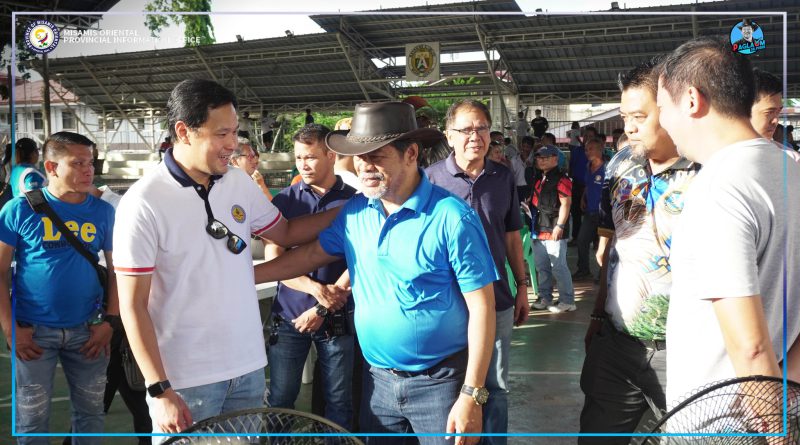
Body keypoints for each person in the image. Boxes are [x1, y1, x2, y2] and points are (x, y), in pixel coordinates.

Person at [253, 101, 497, 445]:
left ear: (411, 153)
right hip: (378, 384)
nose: (364, 166)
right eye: (358, 156)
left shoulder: (451, 218)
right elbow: (308, 255)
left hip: (441, 384)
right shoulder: (357, 212)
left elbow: (482, 308)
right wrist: (245, 277)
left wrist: (472, 394)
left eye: (376, 156)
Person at [112, 79, 340, 441]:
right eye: (221, 134)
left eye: (235, 131)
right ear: (184, 132)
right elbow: (133, 305)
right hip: (186, 382)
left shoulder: (237, 182)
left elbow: (286, 234)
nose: (233, 143)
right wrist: (159, 389)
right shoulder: (143, 203)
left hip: (248, 370)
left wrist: (351, 209)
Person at [657, 37, 800, 416]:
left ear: (691, 99)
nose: (663, 121)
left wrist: (775, 429)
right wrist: (788, 395)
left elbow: (750, 346)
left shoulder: (719, 188)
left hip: (724, 423)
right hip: (780, 400)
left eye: (661, 107)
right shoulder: (790, 169)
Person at [578, 57, 700, 443]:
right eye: (625, 115)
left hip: (685, 351)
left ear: (669, 110)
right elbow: (614, 248)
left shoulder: (707, 171)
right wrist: (598, 316)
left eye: (639, 116)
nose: (628, 126)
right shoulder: (620, 167)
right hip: (618, 344)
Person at [0, 131, 117, 445]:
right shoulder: (19, 210)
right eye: (77, 163)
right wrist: (11, 328)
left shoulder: (104, 212)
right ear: (50, 168)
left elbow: (118, 271)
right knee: (32, 420)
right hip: (33, 332)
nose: (88, 170)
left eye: (90, 162)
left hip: (89, 331)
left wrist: (110, 322)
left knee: (91, 415)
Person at [427, 99, 528, 445]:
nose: (476, 136)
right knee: (448, 382)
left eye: (482, 128)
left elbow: (513, 235)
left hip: (496, 299)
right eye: (466, 129)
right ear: (449, 136)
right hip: (446, 303)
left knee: (494, 385)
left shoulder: (502, 178)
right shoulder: (431, 180)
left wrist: (523, 286)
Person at [264, 123, 357, 430]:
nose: (303, 164)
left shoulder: (355, 201)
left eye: (311, 156)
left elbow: (361, 261)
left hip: (337, 316)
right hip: (289, 317)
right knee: (280, 399)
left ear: (331, 155)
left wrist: (323, 305)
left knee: (340, 401)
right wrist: (317, 291)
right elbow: (274, 258)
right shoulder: (285, 201)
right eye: (299, 157)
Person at [529, 145, 576, 313]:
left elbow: (566, 203)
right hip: (539, 227)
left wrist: (560, 226)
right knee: (542, 266)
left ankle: (567, 300)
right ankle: (545, 297)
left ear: (555, 159)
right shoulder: (539, 178)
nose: (542, 160)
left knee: (558, 266)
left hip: (554, 228)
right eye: (539, 157)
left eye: (546, 157)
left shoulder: (562, 179)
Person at [572, 137, 605, 280]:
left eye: (591, 149)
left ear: (600, 149)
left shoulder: (607, 168)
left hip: (603, 213)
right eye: (586, 149)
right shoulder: (588, 166)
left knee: (602, 245)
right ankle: (584, 270)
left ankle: (603, 274)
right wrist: (582, 197)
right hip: (590, 211)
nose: (587, 152)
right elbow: (588, 184)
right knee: (582, 240)